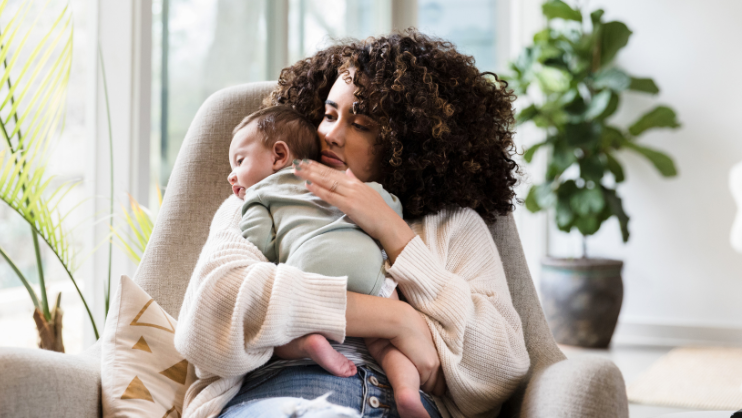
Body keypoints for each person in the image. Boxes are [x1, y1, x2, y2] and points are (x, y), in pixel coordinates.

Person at [175, 30, 531, 418]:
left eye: (360, 124)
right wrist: (399, 321)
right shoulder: (261, 197)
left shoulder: (453, 225)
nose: (330, 134)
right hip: (279, 395)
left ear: (407, 143)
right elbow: (207, 318)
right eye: (328, 115)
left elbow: (501, 368)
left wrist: (393, 233)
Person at [227, 105, 430, 418]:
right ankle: (407, 394)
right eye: (329, 115)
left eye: (239, 161)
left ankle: (310, 343)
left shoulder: (258, 195)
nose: (232, 175)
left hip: (308, 276)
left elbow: (261, 247)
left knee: (281, 334)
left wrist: (254, 212)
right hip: (369, 272)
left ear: (279, 155)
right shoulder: (355, 189)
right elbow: (388, 204)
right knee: (387, 345)